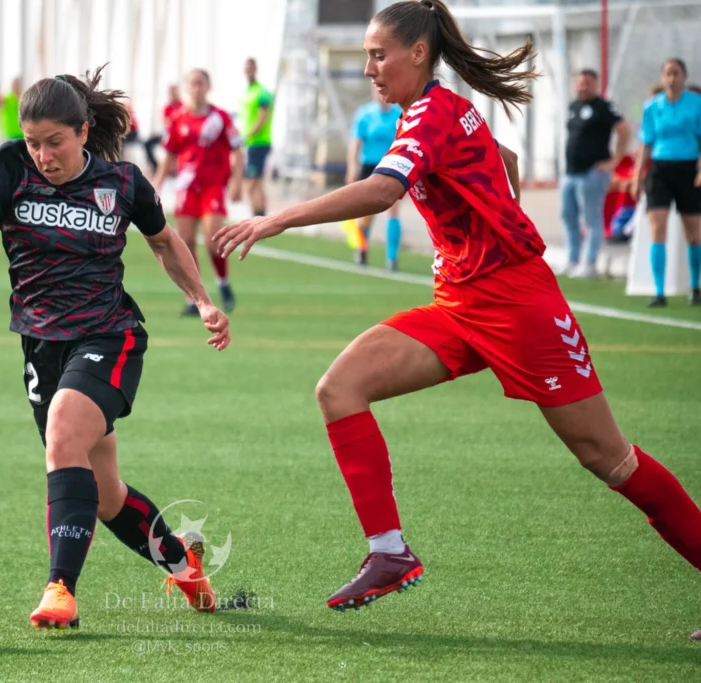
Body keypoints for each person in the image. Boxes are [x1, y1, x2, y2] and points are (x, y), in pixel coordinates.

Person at [215, 0, 701, 636]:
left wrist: (275, 217)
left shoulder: (433, 111)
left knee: (609, 458)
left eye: (378, 54)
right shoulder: (436, 110)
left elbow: (384, 191)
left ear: (419, 54)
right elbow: (506, 160)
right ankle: (389, 552)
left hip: (520, 306)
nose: (369, 69)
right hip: (462, 304)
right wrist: (487, 232)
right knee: (340, 388)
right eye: (365, 55)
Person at [0, 67, 232, 630]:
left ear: (83, 131)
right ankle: (183, 563)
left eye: (55, 142)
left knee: (63, 433)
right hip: (40, 344)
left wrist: (203, 301)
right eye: (33, 142)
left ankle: (60, 591)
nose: (43, 155)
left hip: (108, 334)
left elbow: (166, 243)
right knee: (103, 495)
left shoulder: (122, 183)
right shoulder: (8, 167)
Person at [153, 69, 244, 316]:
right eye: (192, 84)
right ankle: (193, 299)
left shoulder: (220, 118)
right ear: (186, 88)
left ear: (208, 86)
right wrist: (157, 184)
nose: (197, 88)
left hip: (213, 186)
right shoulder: (178, 119)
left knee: (214, 239)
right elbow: (169, 155)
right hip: (186, 187)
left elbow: (237, 149)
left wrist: (237, 181)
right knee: (185, 243)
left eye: (201, 83)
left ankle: (223, 282)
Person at [631, 58, 701, 307]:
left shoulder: (697, 104)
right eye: (668, 73)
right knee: (657, 227)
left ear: (684, 76)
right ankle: (659, 291)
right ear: (662, 77)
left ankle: (696, 286)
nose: (672, 78)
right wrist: (638, 175)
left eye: (677, 73)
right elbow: (646, 143)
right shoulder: (652, 107)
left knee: (693, 230)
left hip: (688, 168)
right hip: (660, 169)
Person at [561, 69, 631, 278]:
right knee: (568, 216)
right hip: (570, 172)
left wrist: (613, 161)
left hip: (592, 172)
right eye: (581, 83)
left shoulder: (604, 107)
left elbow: (624, 130)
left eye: (588, 83)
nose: (583, 87)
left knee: (591, 218)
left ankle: (589, 263)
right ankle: (572, 260)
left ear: (596, 85)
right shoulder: (574, 106)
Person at [346, 97, 404, 268]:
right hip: (369, 167)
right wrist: (352, 168)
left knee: (393, 211)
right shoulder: (365, 114)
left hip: (392, 166)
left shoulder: (398, 114)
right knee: (367, 214)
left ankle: (392, 258)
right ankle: (362, 249)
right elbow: (355, 142)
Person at [241, 58, 274, 217]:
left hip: (259, 142)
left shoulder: (262, 92)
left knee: (251, 181)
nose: (248, 70)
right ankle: (259, 215)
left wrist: (249, 134)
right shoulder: (248, 91)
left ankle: (257, 215)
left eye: (251, 67)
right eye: (246, 67)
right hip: (251, 143)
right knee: (257, 182)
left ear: (256, 69)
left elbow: (263, 117)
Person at [143, 84, 182, 174]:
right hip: (167, 134)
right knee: (147, 143)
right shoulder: (167, 107)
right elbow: (166, 123)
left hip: (178, 136)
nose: (172, 94)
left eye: (174, 92)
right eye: (170, 93)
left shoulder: (183, 106)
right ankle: (155, 168)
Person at [0, 77, 25, 142]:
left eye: (17, 84)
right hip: (9, 134)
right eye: (14, 84)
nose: (16, 86)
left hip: (22, 133)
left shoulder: (23, 98)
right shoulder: (6, 99)